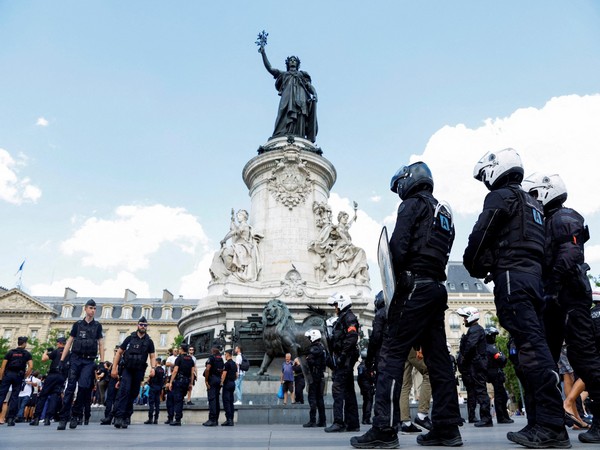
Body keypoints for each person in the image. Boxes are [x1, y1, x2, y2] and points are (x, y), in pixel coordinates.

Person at [464, 148, 569, 447]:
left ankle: (551, 427)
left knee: (532, 350)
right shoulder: (532, 203)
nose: (485, 181)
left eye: (486, 174)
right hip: (533, 280)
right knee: (532, 349)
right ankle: (540, 422)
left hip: (512, 279)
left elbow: (480, 236)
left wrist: (475, 264)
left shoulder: (501, 197)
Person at [352, 161, 462, 449]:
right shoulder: (443, 212)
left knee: (391, 354)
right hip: (437, 289)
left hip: (414, 289)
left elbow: (397, 250)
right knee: (438, 361)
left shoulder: (412, 205)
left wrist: (393, 290)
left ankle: (384, 430)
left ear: (409, 181)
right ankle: (447, 428)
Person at [524, 171, 600, 444]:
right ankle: (545, 422)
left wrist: (552, 286)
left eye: (533, 195)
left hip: (569, 298)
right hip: (558, 300)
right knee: (545, 358)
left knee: (584, 360)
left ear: (545, 191)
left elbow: (570, 253)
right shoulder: (552, 219)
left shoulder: (563, 217)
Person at [57, 299, 104, 431]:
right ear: (85, 309)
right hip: (75, 359)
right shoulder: (77, 325)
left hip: (89, 361)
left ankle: (75, 415)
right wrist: (62, 360)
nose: (93, 311)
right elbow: (69, 342)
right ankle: (63, 418)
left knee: (84, 388)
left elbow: (101, 343)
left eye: (95, 308)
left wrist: (101, 362)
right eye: (91, 308)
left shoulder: (97, 326)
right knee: (70, 388)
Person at [258, 43, 318, 142]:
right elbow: (270, 69)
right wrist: (263, 53)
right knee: (283, 113)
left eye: (294, 60)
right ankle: (281, 133)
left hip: (301, 97)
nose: (292, 61)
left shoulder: (302, 75)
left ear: (298, 64)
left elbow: (309, 86)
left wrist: (315, 94)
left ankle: (299, 135)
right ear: (288, 63)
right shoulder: (284, 74)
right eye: (291, 60)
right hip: (287, 97)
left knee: (300, 116)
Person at [111, 316, 157, 429]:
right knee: (124, 391)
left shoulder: (149, 341)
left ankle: (127, 416)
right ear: (138, 325)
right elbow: (119, 353)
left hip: (139, 370)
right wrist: (114, 368)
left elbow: (152, 356)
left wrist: (153, 368)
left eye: (145, 325)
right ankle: (119, 416)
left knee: (133, 393)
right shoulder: (129, 338)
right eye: (141, 324)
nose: (143, 326)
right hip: (127, 369)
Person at [326, 292, 360, 433]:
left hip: (345, 360)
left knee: (338, 389)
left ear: (341, 303)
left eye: (335, 305)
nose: (335, 308)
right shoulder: (343, 318)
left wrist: (342, 356)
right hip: (344, 359)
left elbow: (352, 337)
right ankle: (352, 424)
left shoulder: (349, 318)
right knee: (348, 391)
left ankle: (339, 422)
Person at [456, 306, 492, 427]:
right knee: (479, 390)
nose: (464, 320)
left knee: (481, 391)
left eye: (465, 317)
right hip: (476, 364)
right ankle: (485, 418)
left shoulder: (475, 330)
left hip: (477, 364)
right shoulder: (475, 329)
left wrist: (464, 357)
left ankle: (486, 418)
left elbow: (470, 345)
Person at [210, 209, 262, 282]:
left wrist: (224, 240)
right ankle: (230, 272)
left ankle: (233, 272)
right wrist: (232, 221)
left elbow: (234, 232)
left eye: (240, 215)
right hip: (238, 246)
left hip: (244, 247)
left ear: (245, 217)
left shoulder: (244, 225)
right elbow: (234, 230)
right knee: (220, 253)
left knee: (226, 252)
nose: (238, 217)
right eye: (237, 216)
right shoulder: (240, 225)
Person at [30, 337, 67, 426]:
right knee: (54, 397)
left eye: (57, 343)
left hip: (52, 375)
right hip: (62, 376)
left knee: (43, 396)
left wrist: (46, 351)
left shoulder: (56, 351)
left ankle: (37, 418)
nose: (57, 344)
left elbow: (43, 359)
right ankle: (48, 418)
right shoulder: (69, 353)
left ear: (60, 343)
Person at [0, 336, 33, 426]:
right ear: (25, 344)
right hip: (18, 375)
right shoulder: (27, 354)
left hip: (8, 375)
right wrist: (25, 375)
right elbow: (31, 366)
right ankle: (10, 419)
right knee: (14, 397)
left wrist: (1, 377)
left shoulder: (10, 352)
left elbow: (3, 366)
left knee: (1, 394)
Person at [484, 326, 513, 424]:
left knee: (502, 396)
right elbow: (502, 359)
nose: (494, 338)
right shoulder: (491, 348)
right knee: (500, 396)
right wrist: (502, 356)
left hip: (494, 372)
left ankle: (504, 416)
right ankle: (502, 417)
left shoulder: (488, 347)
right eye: (493, 336)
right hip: (495, 373)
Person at [400, 347, 432, 433]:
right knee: (429, 373)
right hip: (413, 345)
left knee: (405, 385)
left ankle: (406, 423)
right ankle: (422, 415)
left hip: (402, 345)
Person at [303, 329, 327, 428]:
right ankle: (322, 421)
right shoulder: (322, 347)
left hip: (314, 376)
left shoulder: (314, 349)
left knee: (312, 398)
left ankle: (312, 420)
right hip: (320, 375)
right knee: (320, 398)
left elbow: (310, 362)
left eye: (309, 337)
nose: (309, 339)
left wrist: (308, 360)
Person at [168, 342, 196, 426]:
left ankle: (178, 419)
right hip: (187, 381)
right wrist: (191, 383)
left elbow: (175, 370)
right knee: (181, 399)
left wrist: (170, 382)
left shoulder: (179, 358)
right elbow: (192, 372)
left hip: (179, 381)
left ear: (181, 349)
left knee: (178, 400)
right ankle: (178, 418)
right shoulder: (190, 359)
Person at [203, 346, 224, 426]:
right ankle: (216, 419)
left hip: (212, 379)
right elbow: (222, 370)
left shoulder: (211, 358)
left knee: (212, 400)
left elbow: (208, 369)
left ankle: (212, 419)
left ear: (213, 350)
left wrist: (206, 380)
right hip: (218, 379)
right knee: (216, 400)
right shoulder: (221, 359)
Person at [145, 357, 164, 424]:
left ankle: (150, 419)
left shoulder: (154, 369)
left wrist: (146, 381)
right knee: (157, 404)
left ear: (156, 362)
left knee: (151, 403)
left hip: (153, 387)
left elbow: (151, 376)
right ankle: (156, 419)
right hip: (159, 388)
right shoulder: (162, 370)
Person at [357, 350, 374, 425]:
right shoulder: (368, 366)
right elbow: (371, 377)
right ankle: (367, 418)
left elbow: (359, 379)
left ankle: (365, 418)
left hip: (364, 386)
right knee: (369, 402)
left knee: (365, 402)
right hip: (368, 386)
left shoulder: (360, 366)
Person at [220, 349, 237, 426]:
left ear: (228, 354)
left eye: (225, 354)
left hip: (227, 383)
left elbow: (224, 374)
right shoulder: (234, 364)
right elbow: (236, 375)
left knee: (226, 402)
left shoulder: (226, 364)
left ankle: (229, 420)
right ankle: (231, 419)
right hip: (232, 383)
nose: (225, 355)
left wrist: (221, 382)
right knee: (231, 401)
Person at [163, 347, 178, 424]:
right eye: (174, 351)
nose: (176, 352)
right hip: (169, 377)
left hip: (177, 378)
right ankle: (170, 417)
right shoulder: (170, 358)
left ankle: (175, 417)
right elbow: (167, 364)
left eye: (177, 351)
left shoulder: (179, 358)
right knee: (169, 399)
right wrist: (174, 364)